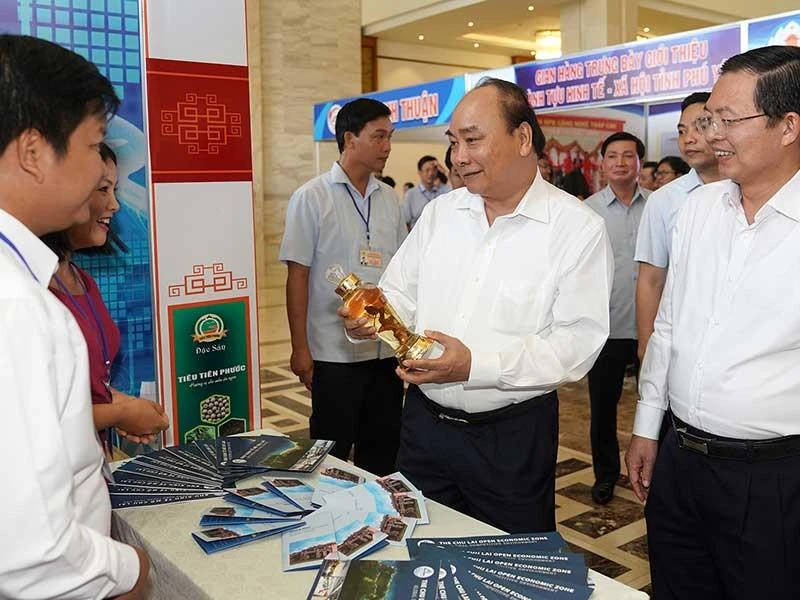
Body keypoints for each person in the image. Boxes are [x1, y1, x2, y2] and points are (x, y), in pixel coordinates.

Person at [341, 78, 613, 533]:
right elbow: (399, 295)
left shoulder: (576, 228)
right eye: (453, 142)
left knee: (508, 559)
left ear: (522, 138)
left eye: (472, 140)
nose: (458, 157)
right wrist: (369, 319)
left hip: (511, 438)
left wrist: (475, 366)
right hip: (424, 426)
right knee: (417, 544)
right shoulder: (441, 214)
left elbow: (575, 344)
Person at [626, 45, 800, 599]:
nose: (712, 135)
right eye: (708, 120)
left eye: (728, 119)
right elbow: (669, 325)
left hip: (773, 477)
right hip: (680, 460)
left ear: (788, 126)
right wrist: (647, 424)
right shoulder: (699, 209)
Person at [0, 34, 147, 599]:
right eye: (92, 146)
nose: (98, 178)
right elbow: (32, 555)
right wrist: (131, 571)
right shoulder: (16, 305)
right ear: (34, 152)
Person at [279, 98, 407, 476]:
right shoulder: (312, 197)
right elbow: (298, 275)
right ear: (350, 139)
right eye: (379, 136)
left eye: (390, 136)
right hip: (333, 356)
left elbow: (401, 273)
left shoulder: (390, 200)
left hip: (384, 353)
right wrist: (300, 348)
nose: (387, 146)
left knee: (382, 455)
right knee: (330, 457)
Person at [42, 143, 170, 454]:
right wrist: (118, 414)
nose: (114, 205)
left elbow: (84, 387)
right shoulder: (28, 289)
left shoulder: (80, 279)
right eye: (102, 189)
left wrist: (122, 404)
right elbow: (37, 414)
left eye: (115, 190)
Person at [584, 131, 650, 505]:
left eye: (628, 155)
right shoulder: (587, 211)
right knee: (603, 408)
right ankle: (606, 475)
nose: (620, 162)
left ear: (641, 162)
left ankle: (655, 473)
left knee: (656, 404)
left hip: (651, 327)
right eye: (613, 156)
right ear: (603, 163)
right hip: (606, 327)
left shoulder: (658, 206)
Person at [635, 92, 721, 361]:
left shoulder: (749, 190)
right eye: (682, 131)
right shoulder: (664, 200)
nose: (688, 139)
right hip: (680, 343)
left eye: (700, 127)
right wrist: (646, 348)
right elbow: (651, 280)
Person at [401, 154, 451, 229]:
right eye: (427, 170)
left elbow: (457, 190)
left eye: (434, 170)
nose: (430, 173)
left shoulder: (445, 191)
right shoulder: (411, 194)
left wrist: (445, 172)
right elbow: (406, 222)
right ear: (419, 172)